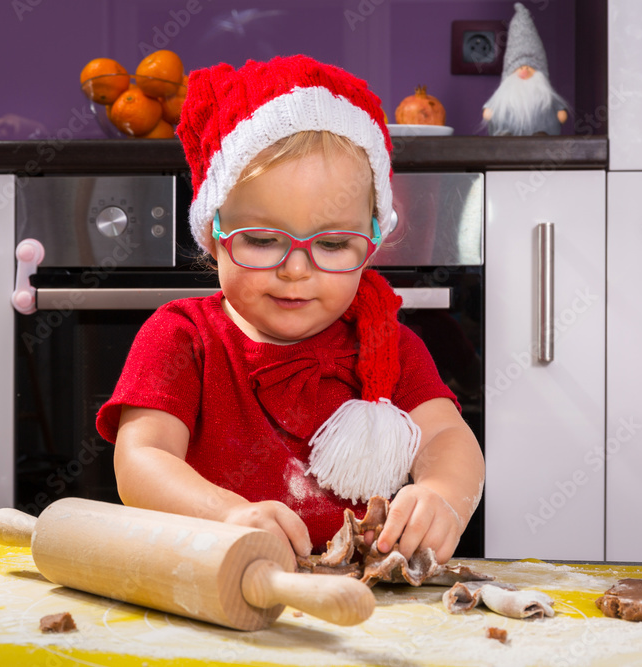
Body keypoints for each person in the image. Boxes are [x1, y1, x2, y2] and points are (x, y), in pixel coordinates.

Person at [96, 55, 484, 565]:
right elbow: (142, 459)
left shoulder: (389, 346)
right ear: (213, 237)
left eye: (332, 245)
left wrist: (442, 497)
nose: (297, 269)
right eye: (261, 239)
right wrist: (226, 514)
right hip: (215, 594)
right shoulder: (182, 338)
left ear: (369, 245)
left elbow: (449, 439)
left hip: (356, 605)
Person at [482, 3, 569, 136]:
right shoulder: (504, 95)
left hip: (542, 147)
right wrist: (490, 111)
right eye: (519, 67)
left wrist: (560, 113)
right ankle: (505, 136)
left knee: (541, 140)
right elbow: (488, 112)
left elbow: (561, 114)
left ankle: (541, 136)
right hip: (504, 148)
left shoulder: (546, 97)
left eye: (529, 67)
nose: (524, 71)